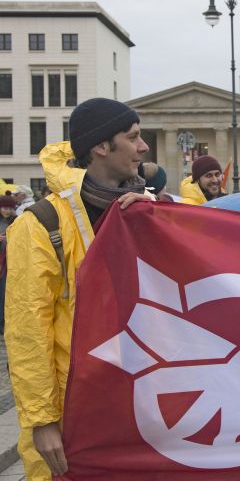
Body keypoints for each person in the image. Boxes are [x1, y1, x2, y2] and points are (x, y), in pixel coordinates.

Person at [5, 97, 153, 480]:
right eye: (133, 137)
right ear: (101, 146)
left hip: (145, 406)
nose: (144, 147)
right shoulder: (40, 224)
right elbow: (27, 331)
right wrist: (42, 422)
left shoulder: (150, 210)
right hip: (76, 415)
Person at [0, 194, 17, 334]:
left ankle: (4, 323)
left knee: (6, 294)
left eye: (9, 208)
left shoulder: (17, 221)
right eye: (4, 208)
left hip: (10, 264)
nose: (6, 211)